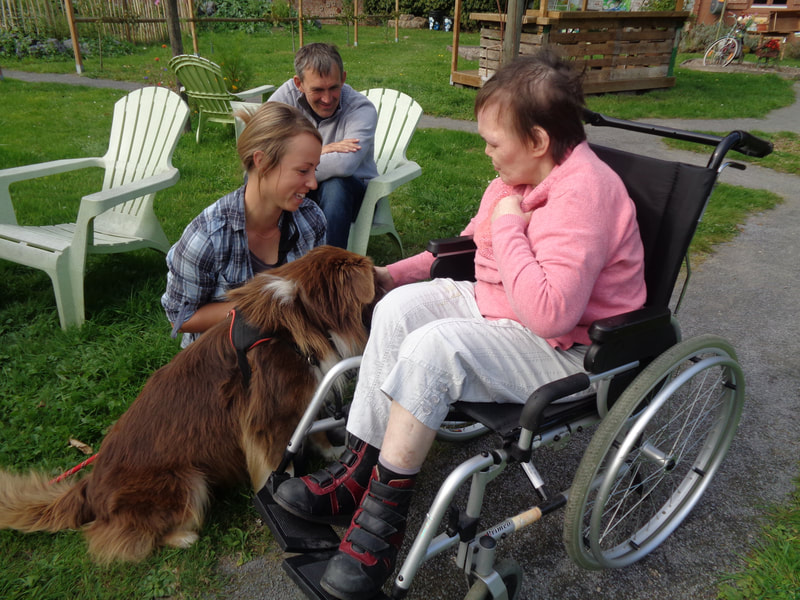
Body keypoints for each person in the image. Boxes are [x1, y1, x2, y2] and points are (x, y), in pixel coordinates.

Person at [273, 50, 647, 600]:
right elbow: (468, 246)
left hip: (565, 345)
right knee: (399, 310)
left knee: (432, 348)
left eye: (495, 143)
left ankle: (381, 528)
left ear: (539, 141)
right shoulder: (514, 180)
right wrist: (383, 277)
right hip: (499, 305)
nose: (487, 152)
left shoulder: (582, 195)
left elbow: (550, 312)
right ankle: (359, 470)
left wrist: (511, 228)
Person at [161, 102, 326, 347]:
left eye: (315, 169)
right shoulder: (207, 236)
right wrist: (263, 306)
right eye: (303, 171)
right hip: (222, 359)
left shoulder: (311, 219)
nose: (313, 183)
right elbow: (180, 318)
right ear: (262, 162)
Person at [268, 42, 378, 249]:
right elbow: (261, 145)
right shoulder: (286, 98)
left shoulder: (361, 108)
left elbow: (343, 165)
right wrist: (321, 150)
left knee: (336, 184)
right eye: (317, 90)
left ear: (343, 78)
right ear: (299, 84)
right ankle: (264, 254)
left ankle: (328, 270)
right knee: (256, 176)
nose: (327, 99)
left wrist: (288, 161)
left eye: (334, 87)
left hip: (354, 198)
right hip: (299, 187)